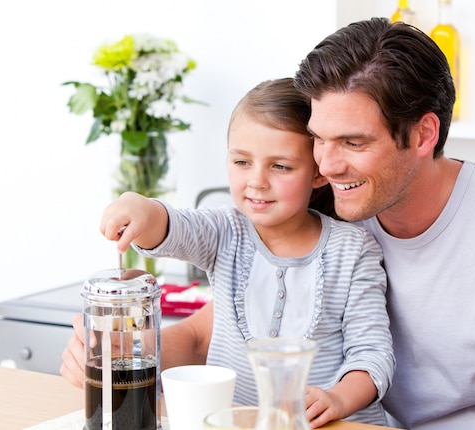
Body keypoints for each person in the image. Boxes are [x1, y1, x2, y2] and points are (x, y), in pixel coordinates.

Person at [62, 19, 475, 429]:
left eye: (353, 142)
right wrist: (124, 347)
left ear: (422, 135)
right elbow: (218, 328)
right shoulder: (319, 209)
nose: (325, 164)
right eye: (319, 140)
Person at [63, 77, 395, 428]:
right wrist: (140, 207)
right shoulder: (225, 232)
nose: (256, 181)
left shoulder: (354, 250)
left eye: (280, 166)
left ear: (318, 172)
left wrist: (338, 398)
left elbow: (371, 354)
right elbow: (174, 226)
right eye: (241, 162)